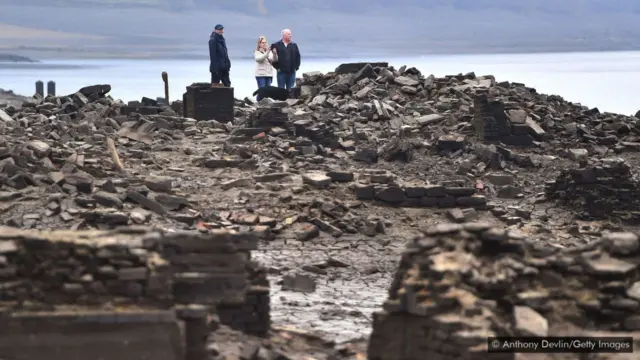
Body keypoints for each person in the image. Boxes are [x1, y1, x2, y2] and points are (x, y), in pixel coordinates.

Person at [253, 36, 278, 101]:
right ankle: (258, 103)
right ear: (259, 44)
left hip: (269, 74)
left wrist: (275, 54)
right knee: (262, 91)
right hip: (260, 75)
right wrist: (267, 53)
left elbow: (275, 60)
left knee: (267, 92)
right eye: (262, 42)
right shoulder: (257, 52)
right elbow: (259, 59)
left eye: (265, 42)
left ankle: (265, 105)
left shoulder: (269, 52)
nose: (264, 44)